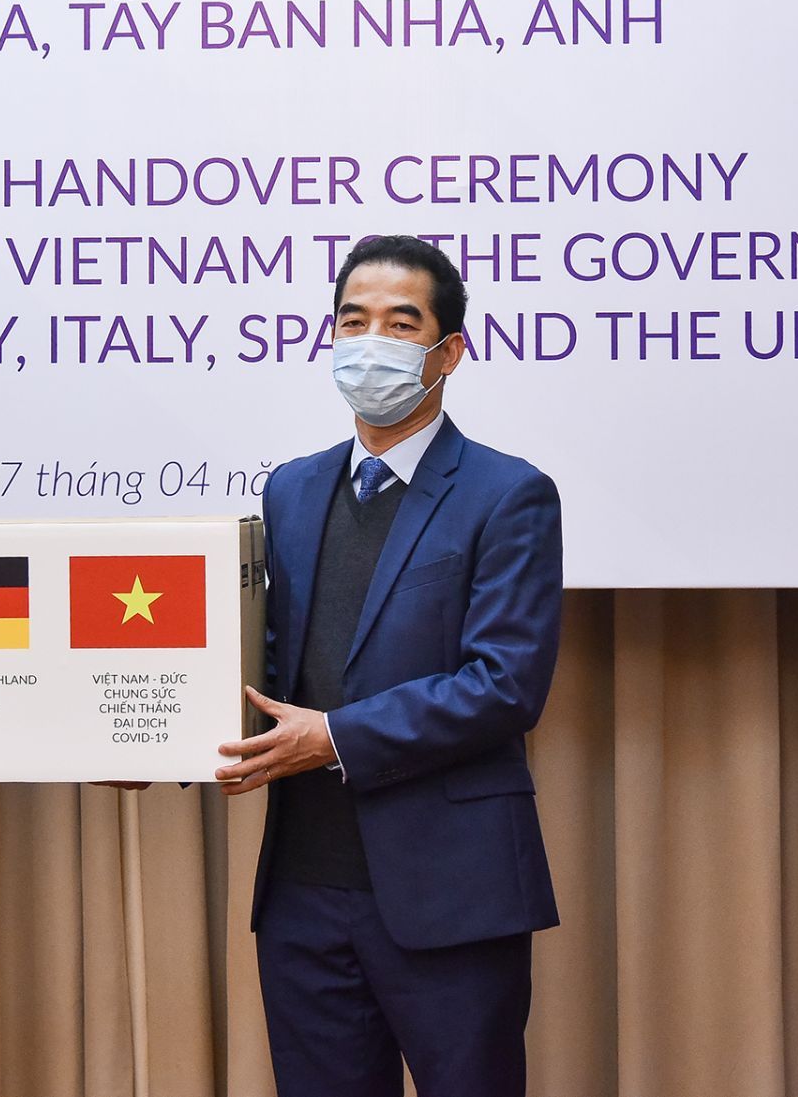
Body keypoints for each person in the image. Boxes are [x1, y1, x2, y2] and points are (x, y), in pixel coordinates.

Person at [216, 235, 561, 1097]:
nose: (371, 341)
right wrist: (155, 740)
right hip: (302, 896)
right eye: (353, 320)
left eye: (401, 324)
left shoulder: (507, 493)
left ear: (449, 352)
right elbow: (266, 664)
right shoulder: (291, 489)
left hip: (451, 895)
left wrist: (334, 737)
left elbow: (505, 682)